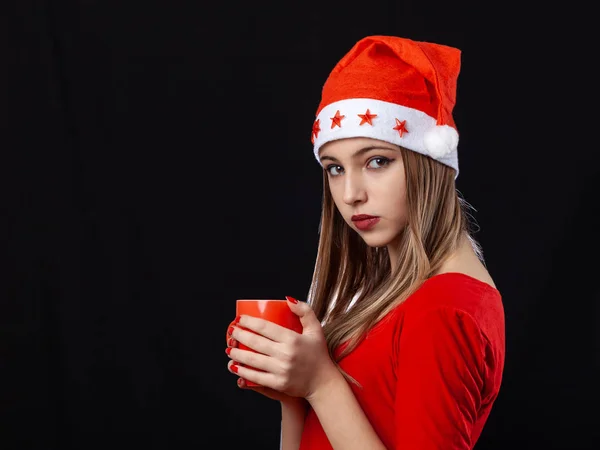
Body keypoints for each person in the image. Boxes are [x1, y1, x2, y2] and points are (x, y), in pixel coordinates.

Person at [225, 35, 505, 450]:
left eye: (377, 161)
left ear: (429, 161)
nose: (350, 193)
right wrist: (295, 396)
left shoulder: (443, 308)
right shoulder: (386, 297)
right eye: (334, 168)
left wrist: (321, 383)